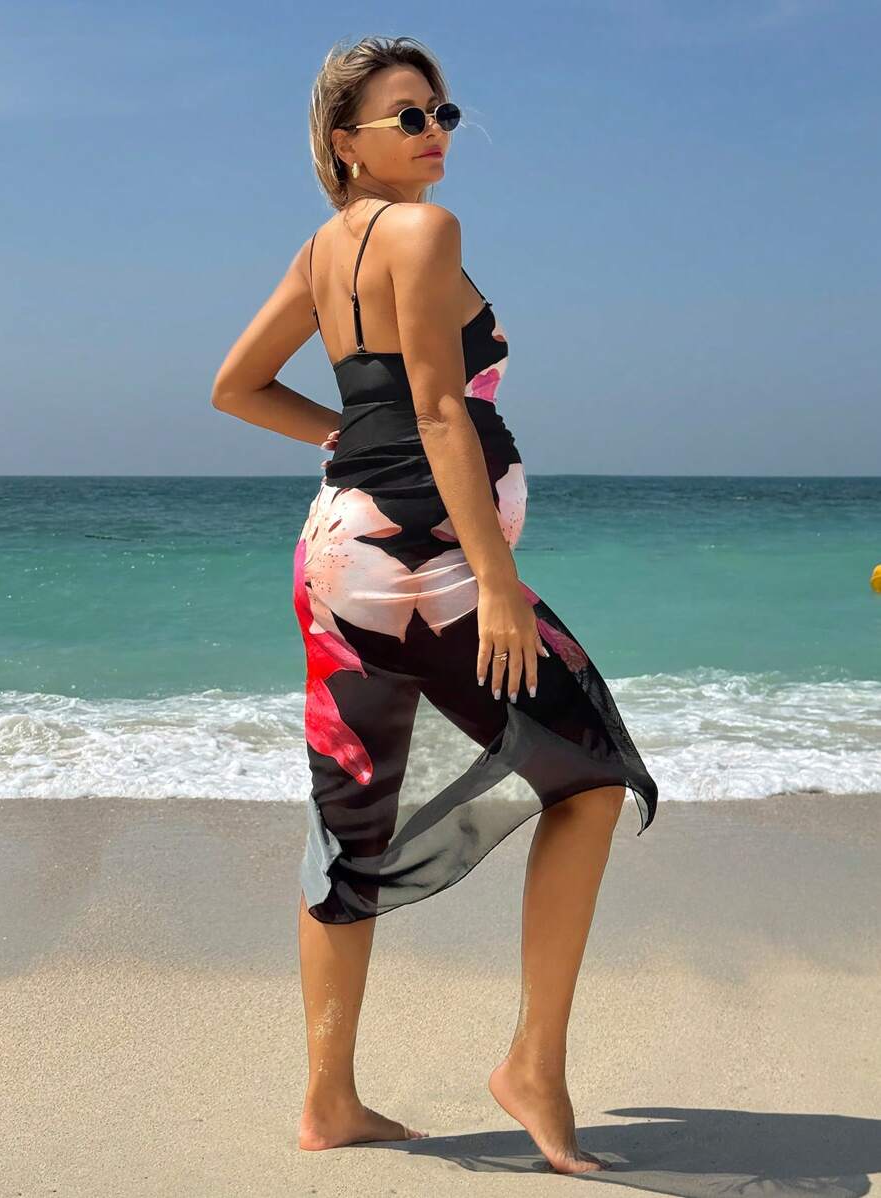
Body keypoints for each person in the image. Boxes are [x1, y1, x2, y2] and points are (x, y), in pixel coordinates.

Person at [212, 34, 658, 1178]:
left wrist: (349, 441)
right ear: (344, 143)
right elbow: (440, 409)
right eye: (407, 116)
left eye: (442, 112)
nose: (435, 132)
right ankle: (534, 1066)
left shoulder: (326, 249)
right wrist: (497, 584)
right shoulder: (425, 232)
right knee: (594, 779)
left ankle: (329, 1101)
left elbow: (236, 385)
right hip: (434, 564)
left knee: (349, 823)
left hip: (338, 559)